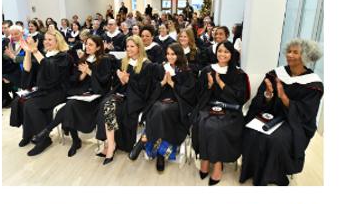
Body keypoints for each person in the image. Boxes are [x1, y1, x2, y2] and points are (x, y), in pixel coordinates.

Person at [240, 39, 323, 186]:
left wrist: (284, 97)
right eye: (289, 51)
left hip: (295, 123)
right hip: (272, 114)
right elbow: (261, 98)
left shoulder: (313, 85)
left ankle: (270, 176)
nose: (290, 55)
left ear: (305, 57)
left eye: (295, 52)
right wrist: (268, 95)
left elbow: (306, 113)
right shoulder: (275, 75)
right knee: (252, 130)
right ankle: (251, 171)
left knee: (274, 139)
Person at [29, 35, 117, 157]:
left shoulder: (105, 60)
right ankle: (74, 140)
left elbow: (104, 82)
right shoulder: (83, 59)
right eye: (86, 44)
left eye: (91, 45)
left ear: (98, 47)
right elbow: (75, 79)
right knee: (70, 105)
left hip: (97, 97)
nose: (87, 46)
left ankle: (49, 131)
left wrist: (89, 71)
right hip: (83, 94)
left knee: (69, 107)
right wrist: (82, 75)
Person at [131, 43, 197, 172]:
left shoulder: (186, 70)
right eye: (168, 54)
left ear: (179, 55)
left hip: (178, 104)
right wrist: (162, 83)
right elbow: (152, 89)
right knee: (157, 108)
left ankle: (145, 139)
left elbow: (189, 93)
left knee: (163, 111)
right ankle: (161, 154)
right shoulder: (161, 68)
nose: (170, 56)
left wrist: (172, 84)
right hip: (160, 101)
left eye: (173, 54)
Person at [192, 41, 249, 185]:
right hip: (209, 106)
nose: (222, 54)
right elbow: (199, 95)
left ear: (231, 54)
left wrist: (221, 84)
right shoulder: (207, 70)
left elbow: (240, 98)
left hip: (230, 110)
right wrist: (210, 86)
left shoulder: (238, 73)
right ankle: (205, 158)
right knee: (203, 123)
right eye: (219, 51)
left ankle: (217, 163)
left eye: (226, 52)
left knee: (217, 128)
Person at [9, 29, 71, 151]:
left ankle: (44, 139)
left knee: (31, 104)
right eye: (45, 39)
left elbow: (50, 70)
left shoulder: (64, 56)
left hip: (58, 91)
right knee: (20, 101)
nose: (46, 42)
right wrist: (28, 52)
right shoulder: (44, 54)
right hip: (43, 89)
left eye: (50, 40)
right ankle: (29, 134)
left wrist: (36, 51)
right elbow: (27, 69)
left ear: (57, 41)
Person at [96, 36, 153, 164]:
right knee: (106, 104)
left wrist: (128, 80)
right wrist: (121, 80)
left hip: (136, 99)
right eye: (127, 46)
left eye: (132, 46)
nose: (129, 49)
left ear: (139, 47)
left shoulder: (146, 64)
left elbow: (145, 89)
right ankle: (111, 143)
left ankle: (110, 146)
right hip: (122, 95)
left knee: (109, 106)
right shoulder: (124, 62)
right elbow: (118, 84)